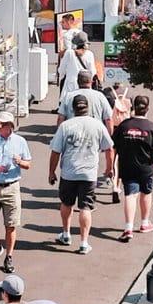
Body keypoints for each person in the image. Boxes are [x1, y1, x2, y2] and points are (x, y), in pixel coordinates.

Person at [48, 95, 114, 256]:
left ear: (73, 108)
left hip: (69, 172)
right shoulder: (97, 125)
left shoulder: (65, 126)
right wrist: (109, 168)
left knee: (66, 203)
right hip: (89, 174)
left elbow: (56, 151)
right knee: (86, 207)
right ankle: (84, 242)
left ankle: (66, 233)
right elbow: (109, 148)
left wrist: (51, 172)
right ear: (88, 108)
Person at [0, 112, 33, 275]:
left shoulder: (20, 142)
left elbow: (28, 164)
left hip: (12, 187)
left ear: (10, 126)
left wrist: (20, 162)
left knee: (10, 225)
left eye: (2, 125)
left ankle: (9, 256)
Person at [113, 95, 153, 242]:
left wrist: (112, 166)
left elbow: (114, 147)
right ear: (147, 109)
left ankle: (128, 227)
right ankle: (145, 223)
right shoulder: (152, 127)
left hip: (127, 165)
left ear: (132, 107)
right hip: (146, 166)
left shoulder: (124, 126)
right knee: (146, 193)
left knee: (130, 195)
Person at [57, 32, 97, 97]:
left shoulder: (69, 53)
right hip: (84, 87)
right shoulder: (90, 54)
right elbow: (92, 72)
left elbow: (61, 70)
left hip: (70, 87)